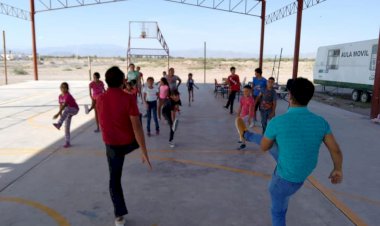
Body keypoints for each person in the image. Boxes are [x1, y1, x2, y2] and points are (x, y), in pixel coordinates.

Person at [236, 77, 343, 226]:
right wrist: (338, 169)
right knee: (278, 147)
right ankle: (246, 134)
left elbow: (264, 147)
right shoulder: (321, 122)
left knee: (278, 213)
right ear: (310, 98)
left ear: (290, 96)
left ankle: (245, 135)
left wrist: (275, 137)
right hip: (303, 172)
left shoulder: (277, 122)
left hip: (283, 180)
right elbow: (336, 150)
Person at [96, 66, 152, 226]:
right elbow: (137, 127)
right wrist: (144, 151)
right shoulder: (128, 98)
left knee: (114, 179)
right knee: (137, 120)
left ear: (106, 81)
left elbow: (103, 120)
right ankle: (119, 214)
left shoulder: (100, 98)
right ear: (123, 81)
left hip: (112, 146)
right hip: (128, 143)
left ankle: (118, 215)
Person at [53, 82, 79, 148]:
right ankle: (67, 142)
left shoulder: (68, 96)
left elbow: (64, 105)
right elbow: (61, 105)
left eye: (65, 88)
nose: (63, 89)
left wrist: (57, 114)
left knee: (66, 109)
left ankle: (59, 124)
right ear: (60, 88)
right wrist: (61, 115)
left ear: (67, 89)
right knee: (66, 127)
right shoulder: (60, 96)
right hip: (68, 112)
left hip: (74, 109)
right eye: (62, 87)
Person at [236, 85, 255, 150]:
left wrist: (249, 119)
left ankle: (243, 143)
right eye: (244, 91)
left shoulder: (251, 99)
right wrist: (238, 115)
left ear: (250, 91)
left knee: (243, 129)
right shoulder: (242, 98)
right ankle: (242, 138)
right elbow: (240, 107)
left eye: (247, 91)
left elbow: (250, 110)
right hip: (242, 115)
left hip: (248, 116)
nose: (245, 92)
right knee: (239, 128)